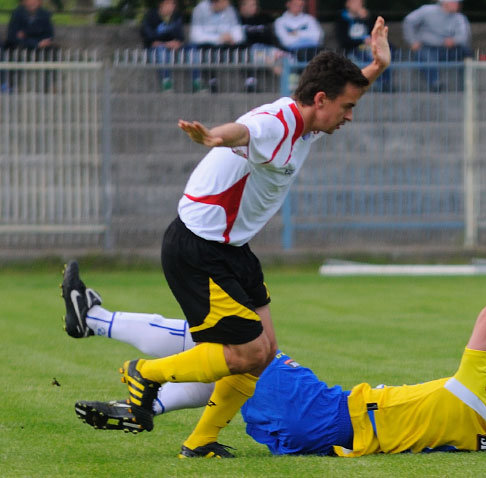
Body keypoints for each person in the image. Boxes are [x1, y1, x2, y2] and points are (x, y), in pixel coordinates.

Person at [63, 18, 390, 458]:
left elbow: (347, 88)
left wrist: (377, 65)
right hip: (198, 249)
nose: (350, 116)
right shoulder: (278, 122)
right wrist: (215, 136)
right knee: (248, 352)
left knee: (265, 351)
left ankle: (201, 442)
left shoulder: (313, 118)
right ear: (320, 100)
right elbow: (245, 130)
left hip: (232, 247)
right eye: (347, 107)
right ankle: (146, 373)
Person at [73, 282, 486, 456]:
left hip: (326, 412)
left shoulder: (474, 393)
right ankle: (173, 424)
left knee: (250, 347)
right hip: (312, 440)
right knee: (243, 365)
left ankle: (138, 364)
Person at [402, 0, 471, 91]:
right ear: (444, 3)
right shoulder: (427, 10)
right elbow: (408, 21)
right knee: (425, 56)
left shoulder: (459, 17)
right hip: (427, 47)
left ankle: (469, 82)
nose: (457, 5)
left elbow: (464, 36)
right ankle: (435, 83)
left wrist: (454, 41)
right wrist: (413, 41)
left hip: (449, 49)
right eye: (454, 3)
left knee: (466, 51)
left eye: (457, 3)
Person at [336, 0, 392, 92]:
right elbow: (343, 40)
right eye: (355, 2)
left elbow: (374, 32)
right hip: (352, 49)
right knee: (367, 58)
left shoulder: (366, 17)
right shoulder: (342, 18)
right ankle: (376, 83)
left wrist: (366, 19)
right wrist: (361, 41)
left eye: (360, 2)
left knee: (386, 54)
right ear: (348, 4)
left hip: (369, 47)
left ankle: (385, 83)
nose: (358, 5)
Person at [189, 0, 245, 92]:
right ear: (215, 2)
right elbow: (195, 36)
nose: (228, 5)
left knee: (244, 47)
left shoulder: (229, 10)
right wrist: (219, 38)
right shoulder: (199, 10)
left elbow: (239, 34)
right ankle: (212, 82)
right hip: (208, 45)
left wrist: (231, 37)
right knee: (207, 49)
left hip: (226, 45)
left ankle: (250, 82)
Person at [140, 0, 187, 92]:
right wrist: (165, 44)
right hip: (156, 49)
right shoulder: (151, 16)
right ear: (161, 4)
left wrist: (177, 42)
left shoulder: (176, 16)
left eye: (173, 3)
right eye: (168, 3)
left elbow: (180, 36)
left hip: (173, 47)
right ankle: (166, 81)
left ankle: (197, 81)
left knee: (192, 48)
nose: (171, 6)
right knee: (161, 50)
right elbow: (149, 37)